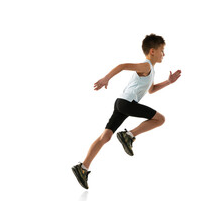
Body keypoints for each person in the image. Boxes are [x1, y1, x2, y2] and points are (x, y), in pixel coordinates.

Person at [71, 34, 181, 189]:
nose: (164, 54)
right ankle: (128, 135)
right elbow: (122, 66)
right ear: (152, 51)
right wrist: (106, 78)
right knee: (160, 119)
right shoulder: (146, 65)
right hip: (127, 103)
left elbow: (151, 90)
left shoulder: (151, 71)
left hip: (121, 103)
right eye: (162, 50)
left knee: (106, 136)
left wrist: (169, 82)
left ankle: (83, 167)